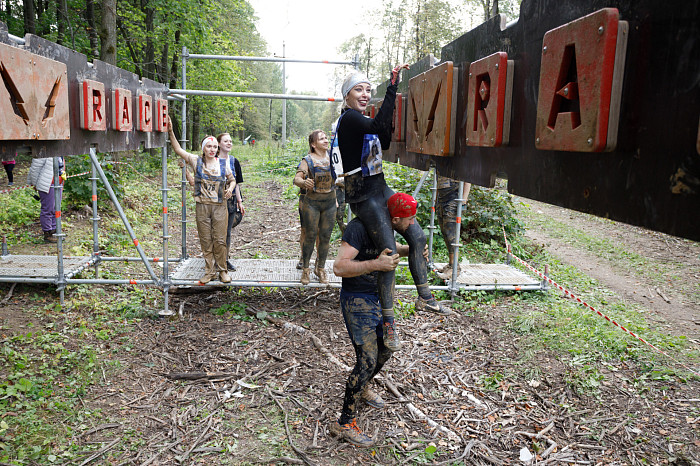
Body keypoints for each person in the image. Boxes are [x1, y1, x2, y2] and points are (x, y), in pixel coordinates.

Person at [336, 67, 450, 352]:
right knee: (388, 252)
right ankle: (389, 323)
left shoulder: (363, 120)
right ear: (347, 96)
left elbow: (383, 137)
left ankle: (424, 296)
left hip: (379, 186)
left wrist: (389, 106)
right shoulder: (349, 119)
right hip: (363, 192)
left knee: (417, 235)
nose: (363, 95)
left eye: (366, 89)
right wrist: (391, 88)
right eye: (358, 90)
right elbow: (376, 127)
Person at [329, 192, 430, 446]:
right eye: (411, 219)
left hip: (377, 299)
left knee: (385, 349)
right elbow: (339, 266)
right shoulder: (359, 227)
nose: (413, 224)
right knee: (367, 360)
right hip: (357, 300)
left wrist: (411, 249)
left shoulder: (386, 225)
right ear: (396, 219)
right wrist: (376, 264)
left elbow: (386, 247)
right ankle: (344, 424)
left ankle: (362, 387)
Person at [167, 117, 236, 284]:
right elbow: (177, 149)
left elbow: (232, 179)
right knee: (205, 240)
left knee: (220, 239)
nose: (212, 149)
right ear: (203, 148)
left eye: (214, 146)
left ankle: (223, 270)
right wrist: (170, 131)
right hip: (202, 206)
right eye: (209, 146)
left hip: (220, 207)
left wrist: (230, 189)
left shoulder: (222, 163)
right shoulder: (195, 160)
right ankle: (209, 271)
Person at [293, 130, 337, 285]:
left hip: (330, 203)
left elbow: (342, 175)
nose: (326, 140)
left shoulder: (334, 157)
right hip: (312, 203)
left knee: (325, 237)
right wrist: (303, 182)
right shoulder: (308, 160)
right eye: (321, 139)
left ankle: (321, 268)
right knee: (310, 236)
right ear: (313, 144)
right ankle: (306, 269)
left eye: (326, 138)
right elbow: (297, 178)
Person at [216, 133, 245, 272]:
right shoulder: (212, 160)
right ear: (219, 144)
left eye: (230, 141)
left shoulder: (234, 161)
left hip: (231, 201)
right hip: (215, 202)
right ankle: (214, 259)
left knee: (227, 232)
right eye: (226, 141)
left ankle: (225, 260)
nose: (229, 143)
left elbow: (237, 184)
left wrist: (240, 201)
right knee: (215, 232)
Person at [435, 175, 470, 278]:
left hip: (453, 199)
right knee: (445, 231)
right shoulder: (441, 163)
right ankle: (451, 264)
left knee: (451, 233)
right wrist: (436, 198)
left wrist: (464, 199)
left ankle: (455, 268)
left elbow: (467, 178)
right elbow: (438, 181)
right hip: (442, 199)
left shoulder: (459, 162)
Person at [27, 157, 65, 243]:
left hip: (58, 183)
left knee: (56, 208)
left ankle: (55, 230)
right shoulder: (43, 152)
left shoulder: (61, 152)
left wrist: (62, 183)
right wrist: (35, 184)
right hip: (47, 184)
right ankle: (48, 233)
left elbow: (62, 168)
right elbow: (35, 169)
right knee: (48, 209)